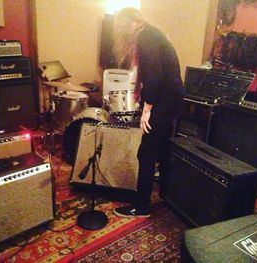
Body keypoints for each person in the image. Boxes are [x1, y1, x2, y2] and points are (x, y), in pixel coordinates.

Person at [112, 7, 185, 218]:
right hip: (171, 98)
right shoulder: (152, 32)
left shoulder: (145, 36)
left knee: (146, 151)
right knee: (162, 148)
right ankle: (167, 195)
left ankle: (141, 206)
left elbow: (155, 77)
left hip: (163, 100)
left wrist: (147, 109)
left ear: (126, 24)